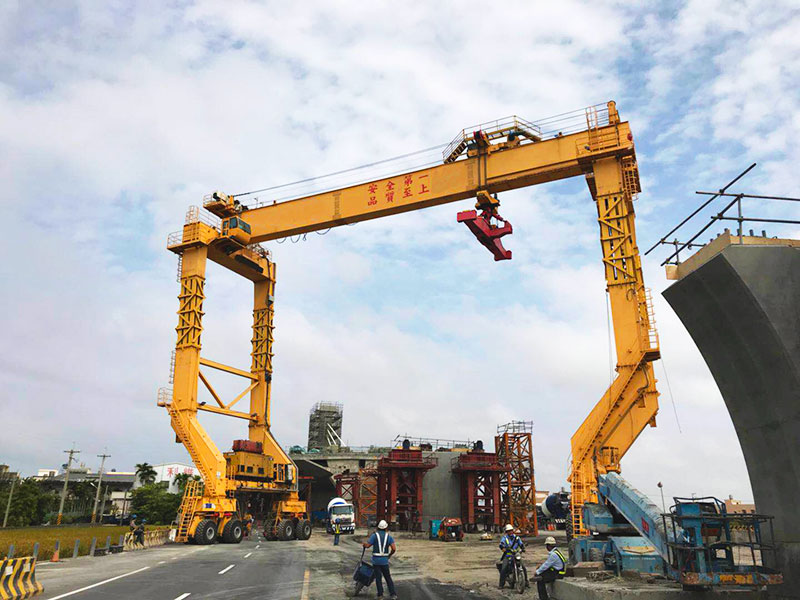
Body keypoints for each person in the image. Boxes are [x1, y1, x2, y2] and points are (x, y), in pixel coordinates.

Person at [362, 519, 397, 599]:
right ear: (386, 528)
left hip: (376, 561)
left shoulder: (374, 536)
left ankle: (380, 595)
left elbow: (368, 545)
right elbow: (394, 548)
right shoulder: (389, 537)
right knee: (388, 578)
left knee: (378, 578)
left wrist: (364, 545)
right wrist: (389, 555)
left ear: (378, 527)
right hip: (384, 562)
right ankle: (393, 594)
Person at [532, 536, 567, 600]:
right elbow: (548, 564)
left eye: (546, 545)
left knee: (540, 579)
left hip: (558, 574)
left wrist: (537, 572)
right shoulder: (556, 552)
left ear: (549, 546)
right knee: (542, 574)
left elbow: (546, 565)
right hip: (559, 571)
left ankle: (543, 598)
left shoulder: (553, 555)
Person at [498, 524, 525, 588]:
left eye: (511, 530)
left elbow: (521, 544)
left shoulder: (517, 538)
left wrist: (523, 548)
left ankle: (526, 582)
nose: (510, 532)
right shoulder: (505, 538)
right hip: (508, 555)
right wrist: (503, 548)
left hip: (516, 555)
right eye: (509, 531)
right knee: (504, 569)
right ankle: (501, 584)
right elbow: (501, 544)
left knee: (523, 567)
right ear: (506, 532)